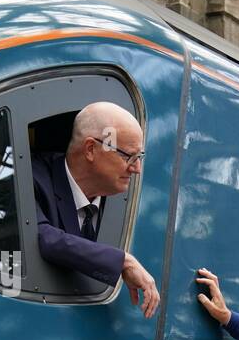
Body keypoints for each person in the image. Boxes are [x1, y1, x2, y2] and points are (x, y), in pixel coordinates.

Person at [31, 101, 159, 317]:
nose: (137, 168)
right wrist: (123, 262)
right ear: (91, 149)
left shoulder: (118, 200)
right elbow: (41, 236)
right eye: (129, 156)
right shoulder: (32, 177)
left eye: (140, 157)